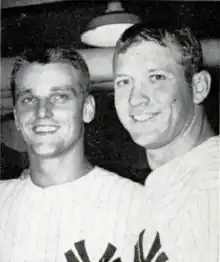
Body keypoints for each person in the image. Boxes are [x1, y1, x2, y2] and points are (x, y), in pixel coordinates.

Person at [0, 47, 147, 262]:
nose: (42, 112)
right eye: (29, 99)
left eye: (59, 97)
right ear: (16, 117)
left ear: (87, 109)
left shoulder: (136, 205)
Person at [113, 24, 219, 261]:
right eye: (124, 82)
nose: (136, 99)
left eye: (156, 77)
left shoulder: (211, 187)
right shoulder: (172, 182)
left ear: (199, 87)